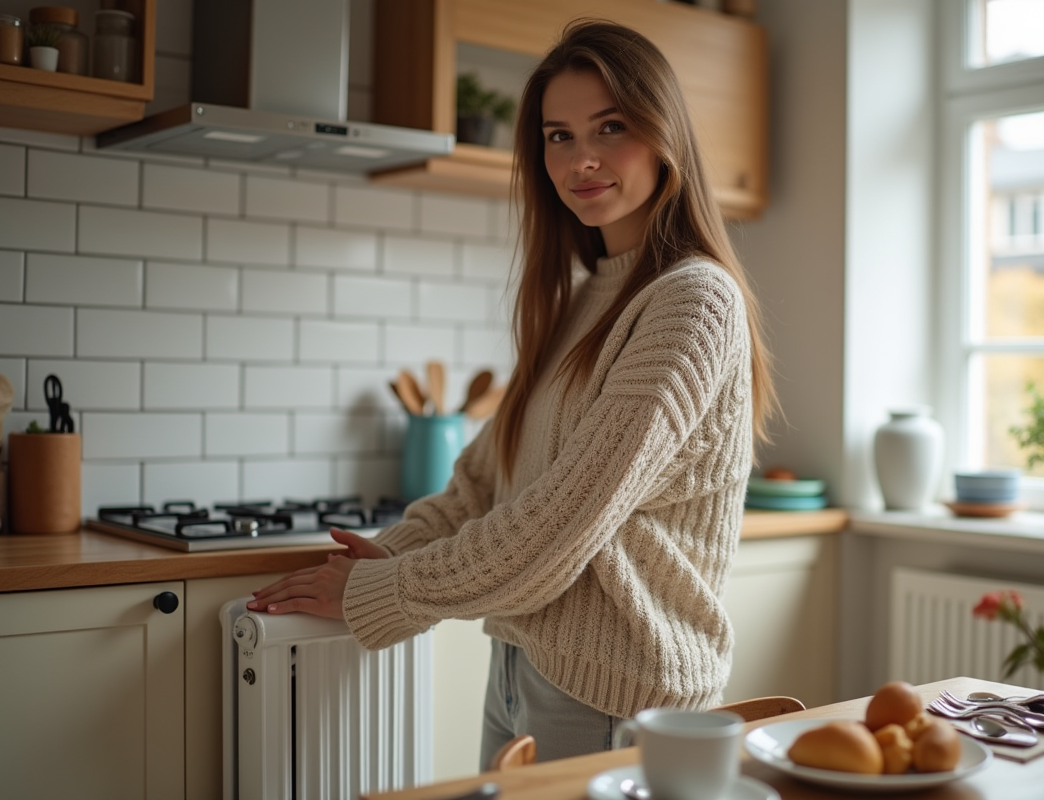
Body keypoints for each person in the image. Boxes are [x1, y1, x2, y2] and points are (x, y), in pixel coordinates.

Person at [249, 18, 778, 767]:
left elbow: (558, 526)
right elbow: (481, 485)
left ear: (665, 134)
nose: (581, 159)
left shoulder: (692, 301)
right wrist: (377, 559)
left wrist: (385, 591)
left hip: (617, 693)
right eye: (557, 136)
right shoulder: (580, 297)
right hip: (524, 667)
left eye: (610, 127)